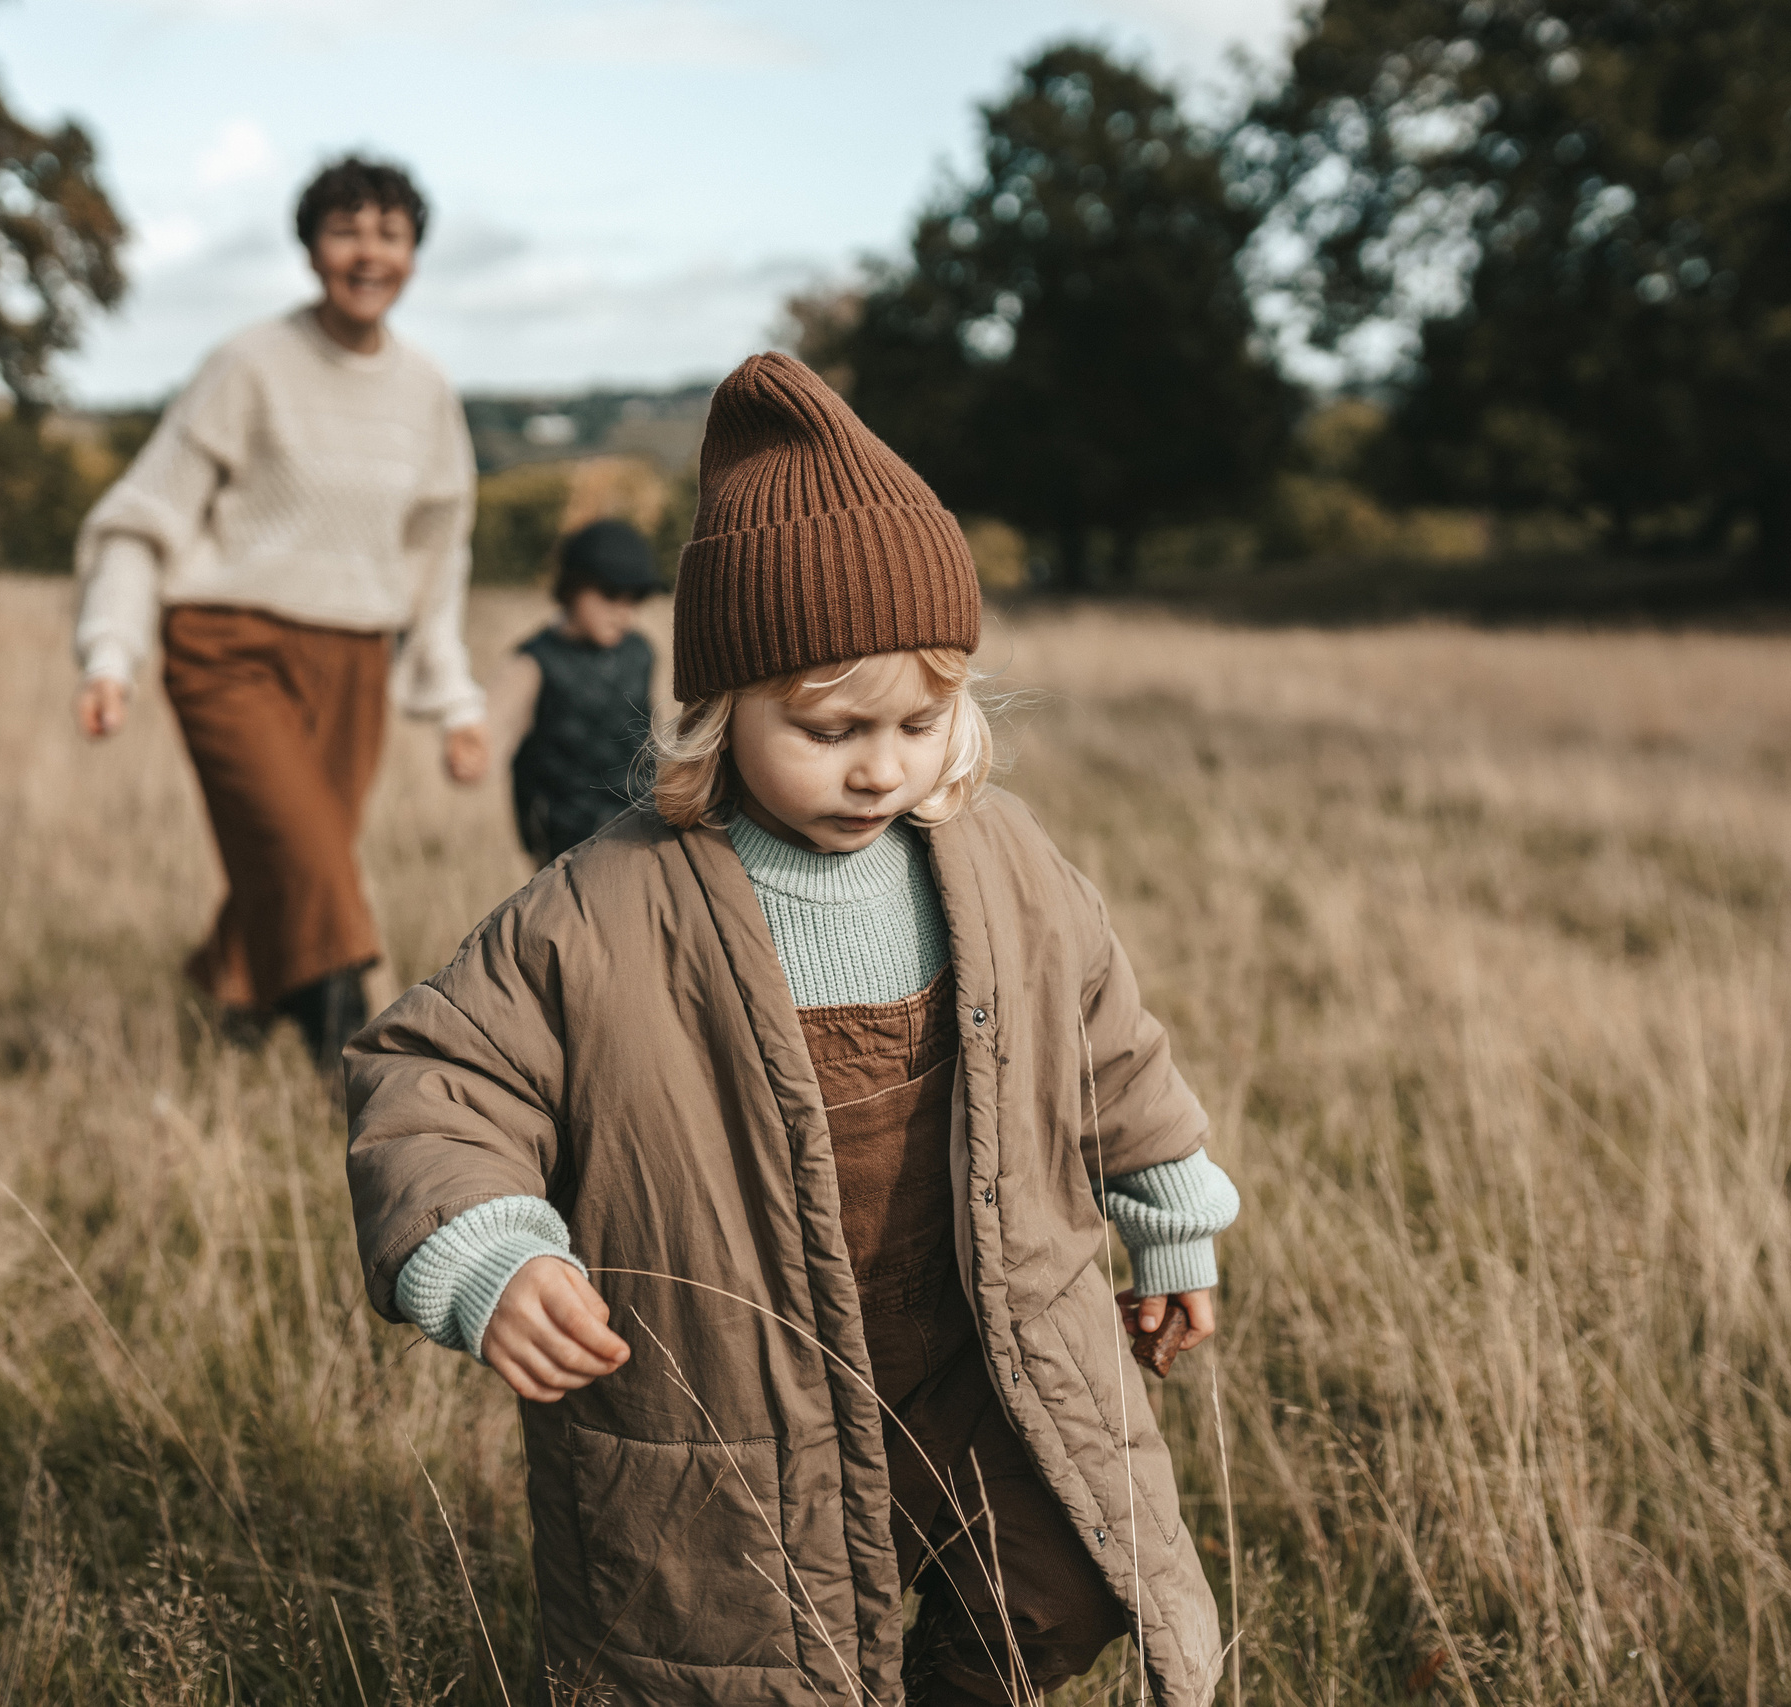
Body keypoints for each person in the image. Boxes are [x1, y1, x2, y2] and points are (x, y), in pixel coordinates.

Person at [348, 354, 1238, 1706]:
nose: (880, 765)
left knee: (1065, 1570)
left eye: (922, 721)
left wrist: (1169, 1205)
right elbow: (438, 1075)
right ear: (721, 707)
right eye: (827, 727)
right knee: (784, 1645)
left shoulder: (999, 862)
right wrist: (487, 1252)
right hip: (745, 1385)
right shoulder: (609, 902)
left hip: (987, 1341)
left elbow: (1106, 1031)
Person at [70, 156, 486, 1069]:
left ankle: (230, 1006)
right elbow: (144, 517)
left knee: (293, 853)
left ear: (414, 253)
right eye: (346, 231)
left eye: (389, 233)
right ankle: (354, 1051)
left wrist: (455, 702)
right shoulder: (247, 365)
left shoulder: (425, 392)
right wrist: (112, 653)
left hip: (354, 659)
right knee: (308, 853)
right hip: (227, 648)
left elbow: (436, 560)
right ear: (310, 249)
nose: (367, 253)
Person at [484, 517, 661, 865]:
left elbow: (649, 734)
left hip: (639, 832)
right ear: (571, 588)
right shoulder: (535, 661)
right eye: (609, 595)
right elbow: (494, 722)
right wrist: (474, 744)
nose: (622, 612)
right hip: (564, 850)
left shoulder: (640, 652)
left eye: (634, 598)